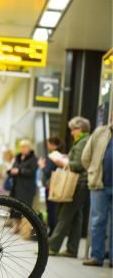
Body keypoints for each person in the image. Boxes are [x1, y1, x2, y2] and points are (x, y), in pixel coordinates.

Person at [48, 116, 90, 257]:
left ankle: (52, 247)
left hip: (79, 181)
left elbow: (81, 164)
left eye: (73, 130)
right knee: (76, 215)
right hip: (81, 181)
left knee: (65, 214)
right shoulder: (83, 140)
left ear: (79, 129)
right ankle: (71, 249)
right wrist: (68, 158)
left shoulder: (83, 141)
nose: (71, 133)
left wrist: (63, 162)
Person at [81, 113, 113, 268]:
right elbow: (85, 157)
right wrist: (93, 171)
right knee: (97, 222)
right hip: (100, 184)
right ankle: (96, 257)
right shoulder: (100, 132)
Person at [37, 136, 66, 238]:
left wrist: (42, 165)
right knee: (51, 210)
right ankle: (51, 233)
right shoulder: (59, 154)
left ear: (52, 144)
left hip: (50, 186)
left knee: (50, 211)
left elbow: (48, 171)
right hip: (54, 186)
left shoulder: (54, 155)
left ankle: (51, 234)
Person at [9, 140, 38, 233]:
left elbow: (32, 172)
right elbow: (14, 167)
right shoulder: (18, 157)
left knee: (24, 208)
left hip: (26, 188)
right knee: (15, 207)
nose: (23, 149)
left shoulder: (33, 158)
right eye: (21, 147)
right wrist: (11, 170)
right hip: (16, 186)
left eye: (25, 147)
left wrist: (19, 171)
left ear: (29, 148)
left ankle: (23, 229)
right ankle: (16, 227)